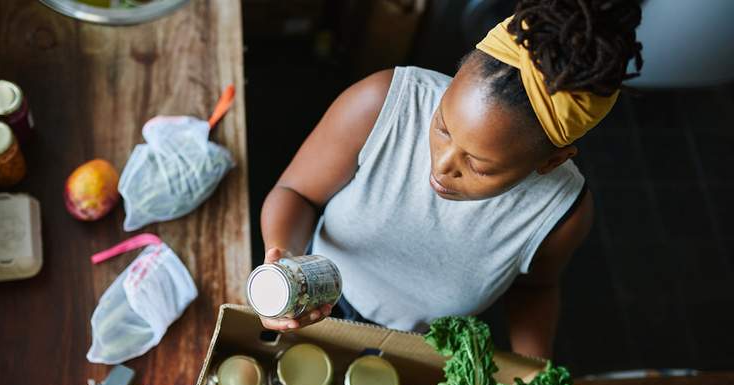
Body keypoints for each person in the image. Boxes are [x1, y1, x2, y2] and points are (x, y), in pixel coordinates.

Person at [258, 0, 643, 359]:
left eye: (478, 165)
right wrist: (285, 258)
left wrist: (534, 372)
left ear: (551, 161)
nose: (441, 166)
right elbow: (296, 193)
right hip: (317, 293)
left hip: (419, 348)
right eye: (442, 126)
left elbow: (535, 288)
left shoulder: (561, 214)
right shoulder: (383, 103)